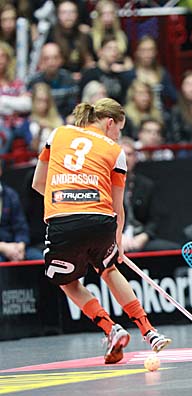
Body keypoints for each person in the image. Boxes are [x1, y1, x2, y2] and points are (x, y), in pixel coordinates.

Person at [31, 98, 171, 364]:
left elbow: (38, 183)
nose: (118, 135)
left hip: (63, 221)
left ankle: (111, 328)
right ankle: (149, 331)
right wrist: (117, 243)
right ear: (109, 123)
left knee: (66, 281)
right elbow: (118, 208)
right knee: (109, 269)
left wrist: (65, 195)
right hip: (101, 220)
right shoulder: (115, 150)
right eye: (119, 129)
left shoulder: (58, 133)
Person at [120, 137, 179, 251]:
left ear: (135, 158)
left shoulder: (146, 185)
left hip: (139, 237)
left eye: (129, 154)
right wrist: (117, 236)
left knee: (173, 249)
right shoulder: (106, 184)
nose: (125, 158)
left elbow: (155, 218)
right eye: (121, 154)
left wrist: (145, 236)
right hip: (114, 238)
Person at [0, 162, 43, 262]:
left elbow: (21, 226)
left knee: (39, 259)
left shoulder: (10, 194)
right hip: (4, 247)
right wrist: (3, 247)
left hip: (14, 246)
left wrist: (21, 245)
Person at [28, 42, 79, 120]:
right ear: (41, 61)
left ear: (61, 60)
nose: (51, 62)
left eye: (55, 58)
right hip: (40, 121)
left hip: (64, 121)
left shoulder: (69, 80)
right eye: (47, 58)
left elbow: (73, 107)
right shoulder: (33, 82)